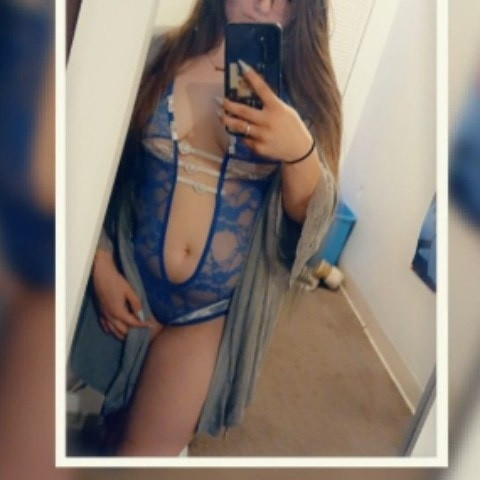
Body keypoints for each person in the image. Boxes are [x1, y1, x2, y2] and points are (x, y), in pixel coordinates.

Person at [73, 0, 341, 456]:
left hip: (208, 317)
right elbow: (99, 167)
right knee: (108, 426)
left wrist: (299, 152)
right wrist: (98, 260)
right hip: (131, 279)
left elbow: (307, 240)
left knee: (139, 456)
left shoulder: (304, 100)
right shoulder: (157, 54)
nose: (262, 4)